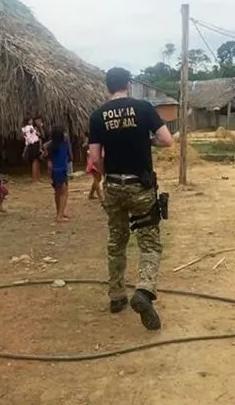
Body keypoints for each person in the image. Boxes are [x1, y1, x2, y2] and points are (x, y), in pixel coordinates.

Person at [88, 67, 173, 331]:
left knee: (117, 241)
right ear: (128, 84)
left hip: (113, 185)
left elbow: (94, 158)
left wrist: (108, 175)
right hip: (141, 187)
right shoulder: (144, 107)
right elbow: (167, 140)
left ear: (107, 87)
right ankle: (144, 291)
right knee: (149, 243)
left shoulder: (98, 115)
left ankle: (116, 296)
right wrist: (147, 142)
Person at [46, 126, 72, 223]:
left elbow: (49, 164)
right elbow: (69, 156)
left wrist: (50, 176)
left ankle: (59, 212)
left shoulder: (51, 146)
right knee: (64, 194)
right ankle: (60, 216)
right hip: (61, 171)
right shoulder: (64, 144)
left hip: (54, 172)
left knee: (57, 193)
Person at [21, 117, 42, 182]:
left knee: (36, 161)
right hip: (34, 144)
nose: (32, 121)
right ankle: (35, 178)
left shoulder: (24, 129)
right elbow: (37, 134)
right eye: (30, 120)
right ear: (27, 121)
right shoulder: (30, 127)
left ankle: (36, 178)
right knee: (35, 161)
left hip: (32, 144)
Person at [83, 132, 104, 200]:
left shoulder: (94, 140)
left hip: (97, 158)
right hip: (94, 159)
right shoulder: (93, 141)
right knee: (96, 178)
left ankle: (91, 194)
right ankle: (100, 196)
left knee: (98, 178)